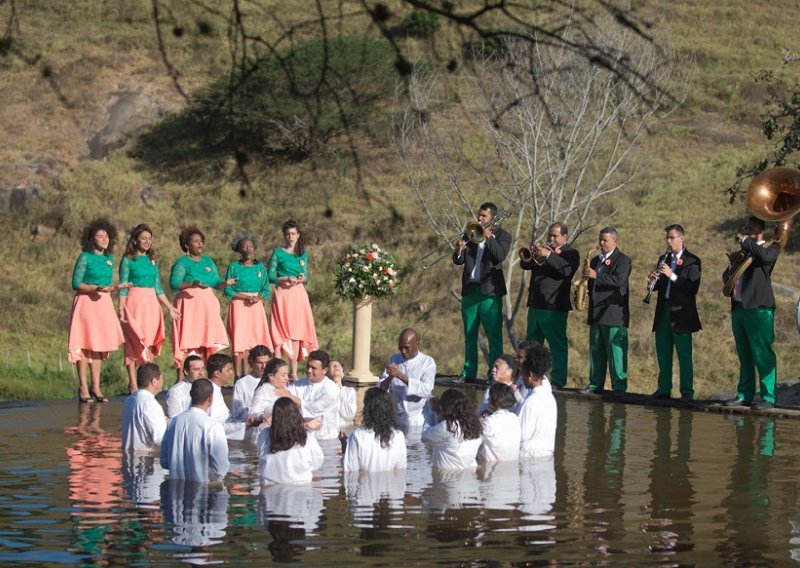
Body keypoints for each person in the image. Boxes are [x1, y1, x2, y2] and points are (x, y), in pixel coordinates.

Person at [67, 218, 128, 403]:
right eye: (100, 236)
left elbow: (106, 285)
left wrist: (116, 288)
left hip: (103, 303)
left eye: (107, 236)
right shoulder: (85, 257)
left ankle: (96, 386)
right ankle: (83, 387)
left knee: (98, 346)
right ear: (91, 239)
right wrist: (95, 288)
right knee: (85, 345)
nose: (104, 239)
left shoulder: (109, 259)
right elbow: (76, 283)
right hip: (86, 303)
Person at [723, 217, 779, 411]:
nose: (745, 231)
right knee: (744, 354)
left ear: (761, 230)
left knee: (762, 353)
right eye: (745, 228)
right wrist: (732, 265)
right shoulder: (744, 252)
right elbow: (726, 278)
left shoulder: (771, 248)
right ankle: (744, 394)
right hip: (739, 308)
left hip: (759, 309)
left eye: (750, 228)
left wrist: (746, 242)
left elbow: (766, 258)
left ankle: (769, 396)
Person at [118, 224, 181, 394]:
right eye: (143, 238)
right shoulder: (128, 260)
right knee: (133, 342)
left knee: (149, 344)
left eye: (149, 239)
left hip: (151, 304)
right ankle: (132, 383)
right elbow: (123, 285)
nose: (147, 241)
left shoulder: (152, 261)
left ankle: (146, 383)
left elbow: (159, 288)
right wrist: (121, 307)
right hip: (134, 302)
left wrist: (170, 307)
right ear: (135, 240)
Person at [451, 202, 511, 381]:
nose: (479, 219)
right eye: (479, 215)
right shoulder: (470, 234)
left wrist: (489, 238)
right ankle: (468, 372)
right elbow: (459, 261)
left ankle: (495, 374)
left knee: (494, 336)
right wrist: (458, 252)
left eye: (483, 216)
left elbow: (500, 255)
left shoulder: (503, 235)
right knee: (469, 335)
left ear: (492, 217)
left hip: (490, 293)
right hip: (470, 291)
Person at [169, 226, 236, 380]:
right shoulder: (182, 262)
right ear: (187, 245)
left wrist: (226, 283)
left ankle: (204, 378)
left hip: (207, 308)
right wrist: (193, 283)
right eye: (195, 241)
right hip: (189, 308)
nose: (200, 244)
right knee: (188, 342)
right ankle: (181, 379)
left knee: (206, 343)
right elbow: (174, 283)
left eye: (201, 241)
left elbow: (216, 282)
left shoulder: (208, 261)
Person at [519, 222, 580, 389]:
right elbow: (525, 265)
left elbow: (567, 271)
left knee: (557, 344)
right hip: (535, 304)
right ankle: (529, 377)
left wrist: (549, 255)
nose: (551, 239)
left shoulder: (571, 253)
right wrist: (531, 255)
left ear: (564, 237)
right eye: (549, 235)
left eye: (555, 236)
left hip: (554, 307)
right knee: (531, 345)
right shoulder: (544, 251)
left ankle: (558, 380)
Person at [646, 224, 702, 402]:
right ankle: (664, 388)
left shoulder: (693, 260)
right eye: (667, 238)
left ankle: (687, 391)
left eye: (672, 238)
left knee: (684, 354)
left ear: (681, 238)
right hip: (664, 311)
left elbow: (692, 287)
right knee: (663, 352)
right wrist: (651, 283)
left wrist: (672, 275)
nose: (669, 241)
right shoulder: (664, 258)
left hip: (682, 314)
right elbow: (661, 286)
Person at [580, 227, 632, 398]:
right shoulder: (595, 260)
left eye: (605, 240)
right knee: (596, 352)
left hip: (614, 314)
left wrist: (596, 275)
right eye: (600, 239)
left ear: (615, 241)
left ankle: (619, 386)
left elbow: (618, 280)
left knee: (616, 352)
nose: (601, 243)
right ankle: (595, 384)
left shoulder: (623, 260)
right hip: (596, 312)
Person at [267, 220, 319, 380]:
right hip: (282, 294)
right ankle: (277, 369)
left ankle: (293, 372)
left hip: (298, 295)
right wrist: (284, 278)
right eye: (288, 234)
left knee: (296, 333)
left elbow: (306, 276)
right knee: (279, 332)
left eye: (293, 234)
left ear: (298, 235)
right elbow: (270, 275)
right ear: (284, 235)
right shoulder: (278, 253)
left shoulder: (302, 255)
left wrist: (303, 278)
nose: (290, 236)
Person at [160, 378, 230, 482]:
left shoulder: (173, 423)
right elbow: (220, 469)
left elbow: (164, 462)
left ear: (191, 395)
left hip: (175, 492)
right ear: (210, 398)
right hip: (204, 492)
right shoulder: (213, 426)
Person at [224, 231, 272, 377]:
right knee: (240, 340)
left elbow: (266, 287)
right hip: (239, 305)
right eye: (244, 247)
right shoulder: (234, 267)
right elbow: (228, 289)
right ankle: (238, 376)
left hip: (255, 306)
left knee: (254, 340)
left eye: (250, 246)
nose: (248, 249)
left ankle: (252, 374)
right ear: (239, 250)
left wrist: (259, 297)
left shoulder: (260, 267)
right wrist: (244, 297)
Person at [257, 397, 325, 485]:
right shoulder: (307, 437)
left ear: (275, 417)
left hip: (270, 486)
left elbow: (260, 454)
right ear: (296, 415)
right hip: (301, 485)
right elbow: (317, 462)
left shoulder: (265, 434)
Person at [379, 328, 436, 429]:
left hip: (417, 422)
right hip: (395, 421)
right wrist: (390, 377)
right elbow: (381, 389)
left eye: (407, 347)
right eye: (400, 348)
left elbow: (426, 390)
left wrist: (400, 375)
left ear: (417, 344)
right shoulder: (394, 359)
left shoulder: (427, 362)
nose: (403, 351)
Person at [343, 388, 407, 472]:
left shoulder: (357, 436)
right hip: (390, 484)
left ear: (367, 409)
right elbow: (400, 470)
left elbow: (350, 472)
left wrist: (344, 447)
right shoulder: (398, 436)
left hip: (365, 484)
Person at [421, 388, 482, 469]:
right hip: (469, 473)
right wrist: (439, 412)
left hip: (447, 477)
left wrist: (432, 411)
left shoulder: (447, 426)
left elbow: (425, 437)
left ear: (446, 407)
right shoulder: (476, 424)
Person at [288, 350, 341, 441]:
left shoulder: (332, 389)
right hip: (301, 439)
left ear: (325, 370)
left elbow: (314, 408)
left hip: (327, 441)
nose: (309, 370)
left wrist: (291, 397)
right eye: (308, 366)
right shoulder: (297, 385)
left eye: (313, 368)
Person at [518, 342, 557, 458]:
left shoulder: (531, 402)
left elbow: (522, 435)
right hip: (547, 455)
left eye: (523, 375)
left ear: (530, 375)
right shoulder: (550, 398)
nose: (522, 379)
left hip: (529, 457)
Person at [121, 363, 167, 451]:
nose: (163, 381)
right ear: (154, 381)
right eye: (162, 378)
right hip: (145, 460)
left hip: (128, 459)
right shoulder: (150, 404)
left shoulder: (129, 400)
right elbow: (160, 440)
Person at [478, 383, 521, 463]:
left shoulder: (488, 422)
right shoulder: (515, 418)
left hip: (492, 467)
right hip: (512, 465)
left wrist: (480, 420)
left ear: (493, 400)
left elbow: (471, 438)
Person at [232, 345, 272, 424]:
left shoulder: (275, 381)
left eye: (266, 363)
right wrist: (258, 415)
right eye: (260, 363)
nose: (264, 366)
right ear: (252, 362)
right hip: (252, 428)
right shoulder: (241, 384)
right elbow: (237, 413)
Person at [249, 358, 294, 427]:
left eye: (287, 375)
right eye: (283, 375)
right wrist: (262, 416)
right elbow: (253, 414)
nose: (287, 378)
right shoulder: (262, 391)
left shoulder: (287, 390)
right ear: (271, 376)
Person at [166, 355, 205, 419]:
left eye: (203, 369)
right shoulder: (176, 391)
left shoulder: (208, 388)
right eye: (196, 369)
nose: (201, 373)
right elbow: (174, 420)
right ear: (186, 371)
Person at [330, 360, 357, 424]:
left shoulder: (350, 391)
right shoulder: (322, 391)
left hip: (345, 430)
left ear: (342, 374)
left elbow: (350, 414)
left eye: (339, 366)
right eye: (333, 365)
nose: (336, 366)